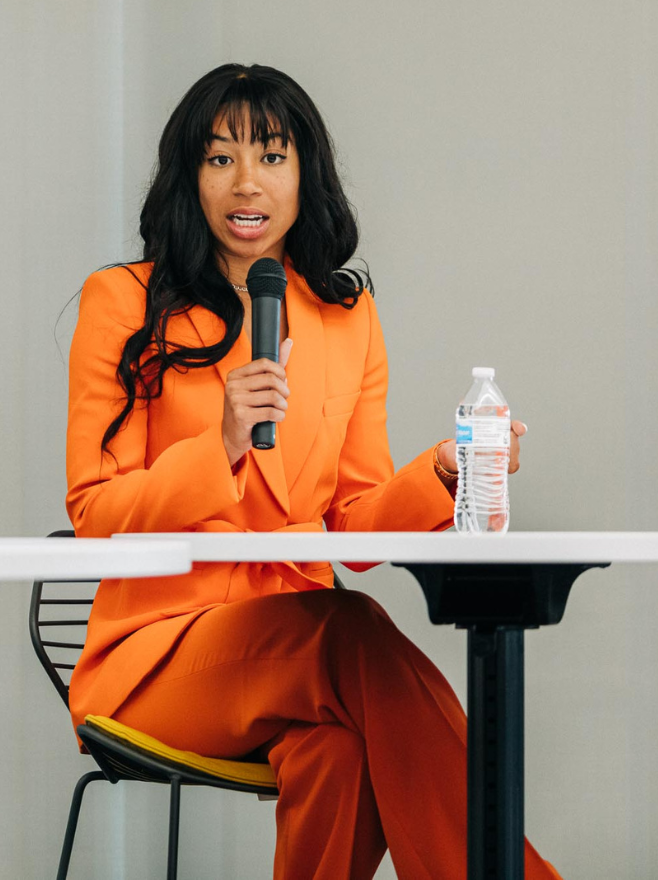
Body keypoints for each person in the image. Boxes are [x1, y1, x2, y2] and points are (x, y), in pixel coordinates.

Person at [64, 64, 555, 879]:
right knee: (348, 625)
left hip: (307, 663)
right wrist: (219, 441)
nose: (246, 182)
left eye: (273, 156)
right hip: (160, 657)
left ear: (306, 175)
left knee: (338, 748)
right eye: (220, 158)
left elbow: (356, 527)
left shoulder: (346, 317)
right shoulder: (124, 302)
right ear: (191, 177)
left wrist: (442, 472)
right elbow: (93, 510)